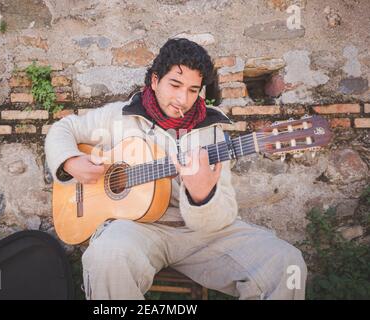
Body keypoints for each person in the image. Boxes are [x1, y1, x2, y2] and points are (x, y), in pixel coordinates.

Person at [45, 38, 307, 300]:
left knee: (286, 263)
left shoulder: (211, 130)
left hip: (201, 235)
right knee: (108, 253)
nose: (183, 99)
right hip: (138, 229)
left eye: (193, 90)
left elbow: (222, 215)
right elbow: (63, 129)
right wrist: (71, 161)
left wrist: (202, 196)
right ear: (155, 80)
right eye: (175, 84)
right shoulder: (119, 115)